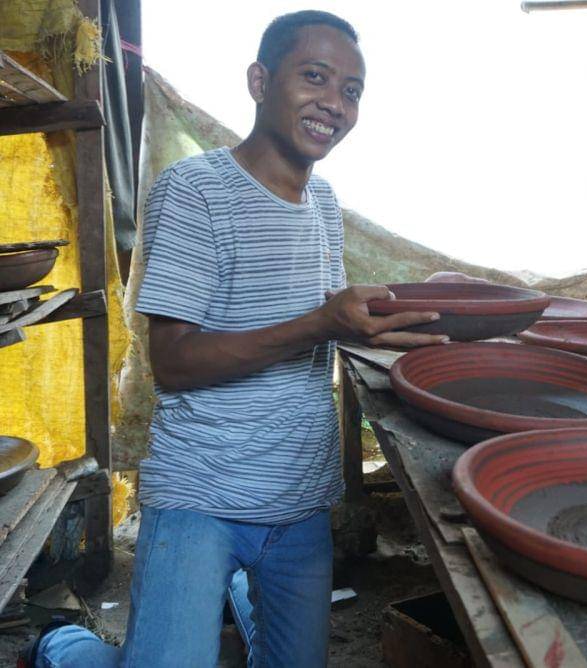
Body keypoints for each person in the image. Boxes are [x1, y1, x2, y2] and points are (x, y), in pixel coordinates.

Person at [21, 10, 446, 667]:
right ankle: (63, 644)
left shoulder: (326, 203)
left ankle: (237, 602)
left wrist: (399, 332)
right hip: (202, 496)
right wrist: (323, 322)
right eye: (315, 77)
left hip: (300, 501)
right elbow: (175, 362)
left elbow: (321, 327)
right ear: (259, 80)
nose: (334, 103)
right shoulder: (195, 191)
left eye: (352, 90)